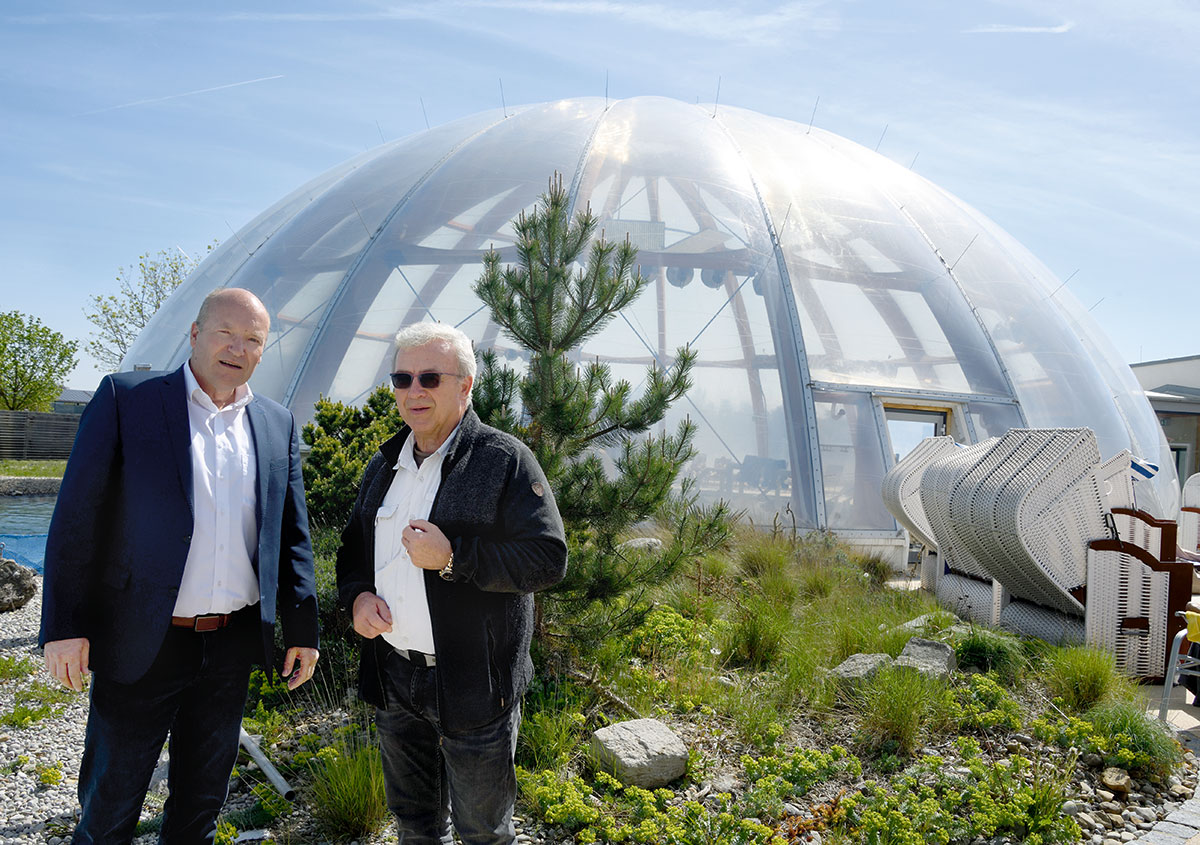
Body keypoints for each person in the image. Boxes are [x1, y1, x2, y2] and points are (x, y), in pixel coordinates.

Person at [39, 287, 320, 844]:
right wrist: (64, 628)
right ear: (194, 334)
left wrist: (303, 628)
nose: (237, 348)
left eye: (253, 340)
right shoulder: (129, 400)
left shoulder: (275, 423)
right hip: (143, 642)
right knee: (108, 809)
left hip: (230, 647)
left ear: (263, 351)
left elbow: (290, 535)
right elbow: (76, 520)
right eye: (226, 333)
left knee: (199, 808)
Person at [337, 322, 567, 845]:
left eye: (430, 378)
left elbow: (548, 559)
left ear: (465, 386)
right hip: (396, 679)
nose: (413, 391)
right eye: (402, 378)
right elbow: (351, 550)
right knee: (414, 827)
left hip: (475, 686)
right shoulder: (384, 464)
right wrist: (356, 598)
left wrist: (453, 557)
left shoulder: (502, 460)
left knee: (482, 831)